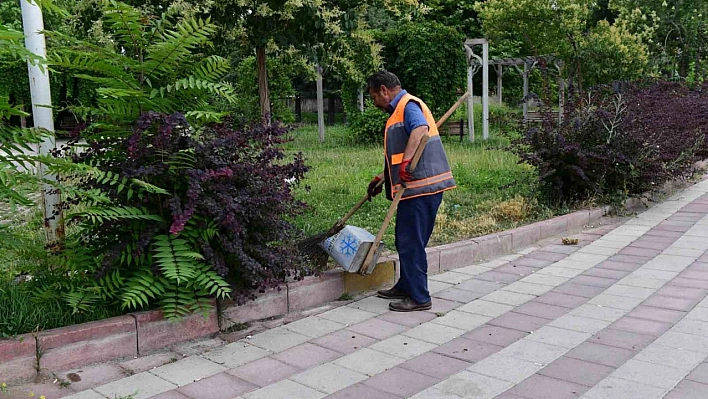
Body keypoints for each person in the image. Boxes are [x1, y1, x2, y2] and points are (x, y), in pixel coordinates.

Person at [365, 71, 456, 312]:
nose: (375, 103)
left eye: (374, 96)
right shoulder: (399, 110)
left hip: (422, 188)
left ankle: (419, 297)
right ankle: (406, 285)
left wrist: (405, 164)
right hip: (412, 188)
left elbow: (420, 130)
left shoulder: (408, 105)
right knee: (405, 240)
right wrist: (384, 178)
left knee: (411, 241)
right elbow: (403, 148)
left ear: (384, 90)